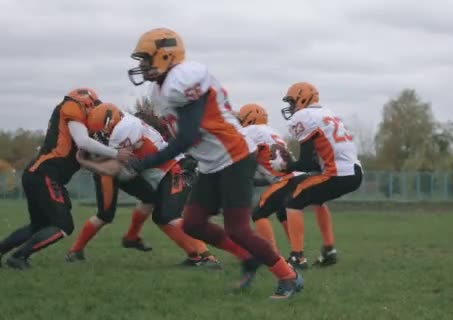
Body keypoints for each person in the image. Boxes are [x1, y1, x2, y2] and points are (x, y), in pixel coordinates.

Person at [125, 28, 302, 299]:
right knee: (192, 224)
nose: (142, 66)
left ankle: (288, 276)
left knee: (238, 229)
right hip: (211, 162)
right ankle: (248, 258)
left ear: (166, 56)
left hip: (234, 156)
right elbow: (178, 133)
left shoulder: (184, 78)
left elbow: (186, 137)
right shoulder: (159, 90)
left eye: (146, 59)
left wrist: (145, 162)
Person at [66, 103, 221, 269]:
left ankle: (208, 258)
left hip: (176, 170)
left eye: (102, 131)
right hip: (167, 173)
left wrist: (86, 163)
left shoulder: (123, 130)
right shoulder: (124, 121)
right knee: (161, 217)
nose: (102, 135)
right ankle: (194, 257)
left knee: (169, 216)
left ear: (108, 124)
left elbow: (114, 168)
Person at [0, 88, 132, 269]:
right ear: (86, 104)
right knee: (63, 225)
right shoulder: (72, 107)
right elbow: (83, 141)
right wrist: (116, 153)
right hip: (44, 174)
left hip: (38, 174)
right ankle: (19, 257)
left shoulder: (79, 124)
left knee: (38, 226)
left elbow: (87, 155)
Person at [271, 82, 363, 267]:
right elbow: (313, 163)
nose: (291, 107)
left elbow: (305, 163)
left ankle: (297, 257)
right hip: (354, 171)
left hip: (338, 173)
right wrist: (291, 166)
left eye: (292, 102)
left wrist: (285, 166)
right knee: (315, 198)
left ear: (303, 99)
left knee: (293, 199)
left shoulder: (305, 116)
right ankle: (329, 251)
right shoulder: (326, 113)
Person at [237, 103, 310, 268]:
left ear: (249, 118)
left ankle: (271, 256)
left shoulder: (250, 131)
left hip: (286, 180)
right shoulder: (271, 131)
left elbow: (243, 157)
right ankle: (299, 257)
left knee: (258, 213)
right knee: (283, 214)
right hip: (297, 177)